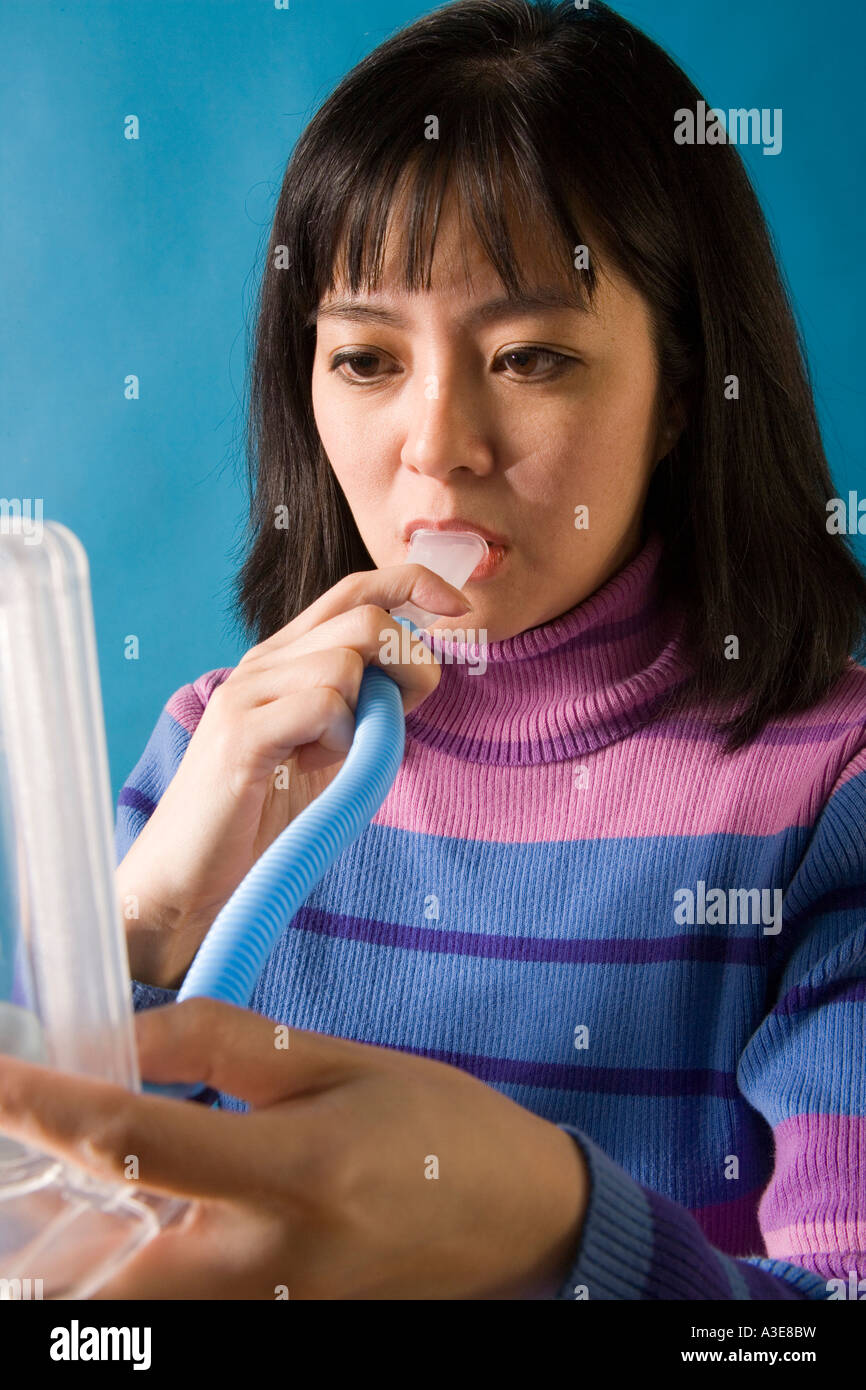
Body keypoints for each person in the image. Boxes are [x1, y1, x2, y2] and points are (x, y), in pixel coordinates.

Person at [2, 0, 864, 1300]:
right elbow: (57, 1229)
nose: (435, 443)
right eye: (363, 357)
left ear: (682, 388)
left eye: (527, 356)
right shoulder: (210, 747)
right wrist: (154, 916)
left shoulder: (828, 791)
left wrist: (553, 1223)